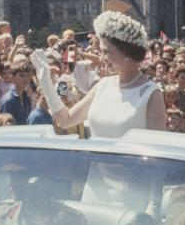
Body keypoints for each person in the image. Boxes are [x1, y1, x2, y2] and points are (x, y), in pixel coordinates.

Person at [31, 11, 166, 138]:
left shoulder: (151, 94)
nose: (101, 58)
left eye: (106, 52)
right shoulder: (103, 85)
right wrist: (46, 82)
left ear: (126, 52)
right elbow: (66, 120)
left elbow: (155, 148)